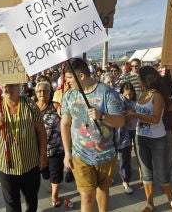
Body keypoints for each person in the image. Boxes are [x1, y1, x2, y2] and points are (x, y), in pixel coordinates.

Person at [60, 58, 125, 212]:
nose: (67, 82)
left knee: (103, 190)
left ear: (81, 76)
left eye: (69, 78)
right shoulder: (69, 95)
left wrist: (102, 116)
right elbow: (65, 124)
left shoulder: (106, 92)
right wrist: (67, 152)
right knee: (86, 196)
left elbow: (121, 121)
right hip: (80, 155)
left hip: (106, 154)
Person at [0, 83, 48, 212]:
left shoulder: (30, 105)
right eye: (4, 86)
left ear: (19, 87)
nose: (7, 89)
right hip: (6, 166)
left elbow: (41, 131)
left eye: (11, 86)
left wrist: (43, 156)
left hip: (30, 163)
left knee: (31, 198)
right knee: (11, 203)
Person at [126, 66, 172, 212]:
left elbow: (156, 119)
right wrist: (132, 112)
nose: (137, 79)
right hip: (141, 138)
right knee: (146, 173)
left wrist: (135, 115)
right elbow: (139, 112)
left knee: (162, 173)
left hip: (157, 139)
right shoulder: (140, 94)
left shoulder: (157, 95)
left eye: (139, 77)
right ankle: (150, 203)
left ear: (147, 78)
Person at [101, 73, 133, 194]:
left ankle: (126, 181)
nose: (111, 84)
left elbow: (129, 110)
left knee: (124, 158)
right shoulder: (100, 98)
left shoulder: (121, 96)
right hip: (107, 135)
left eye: (113, 81)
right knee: (109, 158)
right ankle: (109, 178)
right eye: (108, 82)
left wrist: (126, 114)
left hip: (122, 133)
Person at [35, 81, 64, 207]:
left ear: (50, 92)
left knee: (55, 173)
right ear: (36, 93)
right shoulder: (32, 107)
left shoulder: (56, 106)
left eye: (45, 90)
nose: (42, 93)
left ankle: (54, 196)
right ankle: (50, 181)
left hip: (55, 148)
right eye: (39, 90)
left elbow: (64, 115)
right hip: (38, 149)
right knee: (45, 174)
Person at [120, 81, 142, 184]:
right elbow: (120, 114)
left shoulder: (136, 101)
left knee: (140, 154)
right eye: (126, 94)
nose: (129, 96)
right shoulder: (121, 100)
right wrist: (130, 113)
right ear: (123, 93)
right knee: (126, 155)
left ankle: (142, 174)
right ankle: (126, 179)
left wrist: (133, 112)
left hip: (136, 129)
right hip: (126, 131)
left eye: (131, 94)